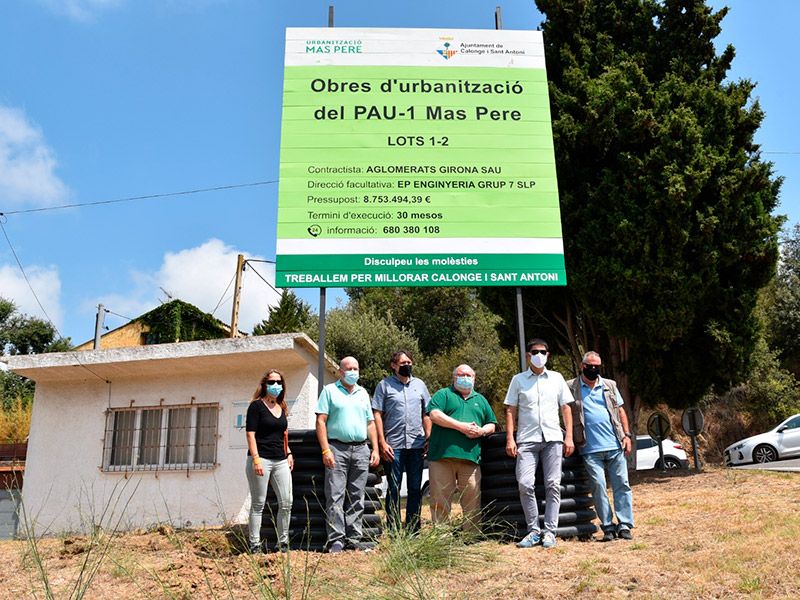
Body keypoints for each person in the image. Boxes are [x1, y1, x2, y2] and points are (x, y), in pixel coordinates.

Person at [504, 339, 574, 549]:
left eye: (543, 351)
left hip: (553, 438)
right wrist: (510, 438)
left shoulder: (557, 378)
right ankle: (533, 531)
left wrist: (568, 436)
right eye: (535, 351)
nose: (539, 354)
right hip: (526, 439)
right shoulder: (518, 380)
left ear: (548, 355)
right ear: (528, 355)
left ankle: (550, 532)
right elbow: (510, 410)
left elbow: (566, 408)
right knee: (525, 484)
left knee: (553, 484)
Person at [567, 351, 635, 542]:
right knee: (598, 486)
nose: (594, 369)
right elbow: (564, 411)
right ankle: (607, 526)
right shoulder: (570, 387)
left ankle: (624, 525)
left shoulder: (610, 385)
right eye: (590, 366)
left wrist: (627, 435)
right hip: (589, 448)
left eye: (597, 366)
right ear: (582, 366)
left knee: (622, 485)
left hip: (615, 445)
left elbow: (620, 411)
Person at [316, 356, 380, 553]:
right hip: (337, 448)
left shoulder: (363, 393)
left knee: (356, 496)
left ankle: (354, 538)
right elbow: (320, 421)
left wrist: (375, 448)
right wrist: (326, 449)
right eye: (349, 368)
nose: (353, 372)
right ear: (341, 371)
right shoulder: (329, 391)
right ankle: (336, 540)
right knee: (335, 495)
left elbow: (370, 423)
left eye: (356, 368)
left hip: (361, 449)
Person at [427, 364, 497, 535]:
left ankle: (470, 536)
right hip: (442, 457)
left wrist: (481, 431)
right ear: (454, 377)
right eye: (461, 374)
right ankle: (441, 536)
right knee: (440, 498)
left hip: (471, 458)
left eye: (469, 375)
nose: (465, 378)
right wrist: (461, 427)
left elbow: (492, 424)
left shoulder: (480, 400)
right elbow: (434, 415)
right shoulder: (443, 394)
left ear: (474, 379)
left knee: (472, 499)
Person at [372, 349, 431, 531]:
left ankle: (413, 527)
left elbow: (426, 413)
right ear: (393, 365)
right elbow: (377, 415)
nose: (407, 366)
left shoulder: (420, 385)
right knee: (394, 487)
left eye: (409, 363)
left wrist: (428, 437)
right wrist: (382, 442)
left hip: (416, 444)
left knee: (415, 487)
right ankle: (394, 527)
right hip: (393, 445)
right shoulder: (384, 386)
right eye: (403, 363)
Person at [245, 369, 294, 554]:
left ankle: (283, 543)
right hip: (261, 459)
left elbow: (284, 433)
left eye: (279, 382)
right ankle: (255, 545)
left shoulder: (281, 406)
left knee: (287, 502)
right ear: (264, 384)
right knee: (259, 503)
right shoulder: (256, 407)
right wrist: (256, 459)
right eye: (272, 382)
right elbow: (250, 434)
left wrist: (288, 452)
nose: (275, 385)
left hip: (280, 460)